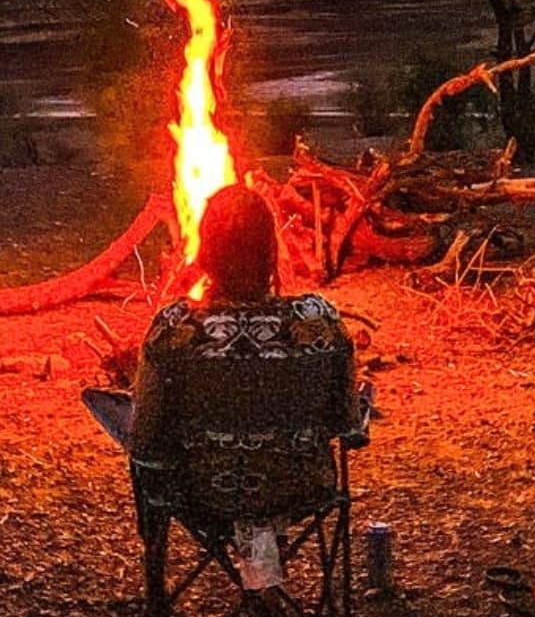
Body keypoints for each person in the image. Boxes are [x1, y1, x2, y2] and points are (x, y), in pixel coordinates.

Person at [84, 184, 361, 491]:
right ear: (272, 252)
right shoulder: (319, 320)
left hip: (196, 492)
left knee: (115, 412)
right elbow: (348, 426)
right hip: (299, 488)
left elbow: (148, 443)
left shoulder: (173, 329)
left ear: (204, 255)